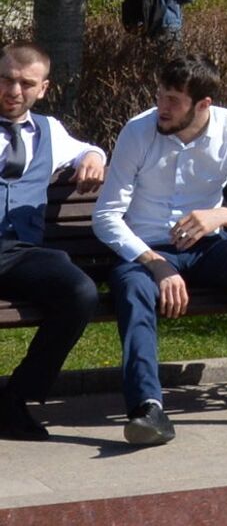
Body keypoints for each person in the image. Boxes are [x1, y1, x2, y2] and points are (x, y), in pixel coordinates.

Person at [93, 51, 227, 446]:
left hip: (208, 249)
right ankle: (147, 408)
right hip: (146, 252)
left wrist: (222, 216)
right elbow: (106, 216)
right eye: (160, 95)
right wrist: (155, 263)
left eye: (173, 100)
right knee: (133, 286)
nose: (162, 107)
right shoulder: (137, 132)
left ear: (203, 104)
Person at [0, 42, 107, 441]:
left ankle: (15, 399)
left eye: (26, 83)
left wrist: (94, 157)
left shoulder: (50, 131)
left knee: (79, 291)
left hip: (20, 254)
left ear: (43, 89)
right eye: (6, 79)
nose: (14, 91)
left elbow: (86, 149)